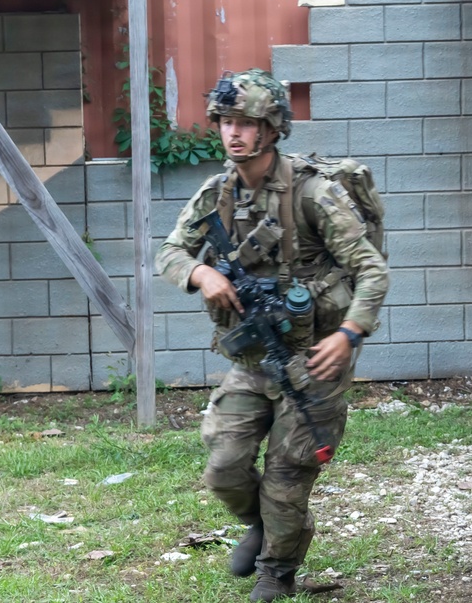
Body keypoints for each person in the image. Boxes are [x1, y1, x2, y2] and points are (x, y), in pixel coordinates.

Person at [155, 69, 389, 601]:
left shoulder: (315, 194)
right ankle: (260, 523)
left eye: (246, 123)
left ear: (272, 128)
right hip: (255, 355)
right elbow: (169, 251)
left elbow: (372, 271)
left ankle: (276, 571)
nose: (233, 133)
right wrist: (200, 273)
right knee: (224, 466)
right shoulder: (216, 193)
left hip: (315, 360)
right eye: (226, 122)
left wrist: (349, 333)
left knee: (288, 473)